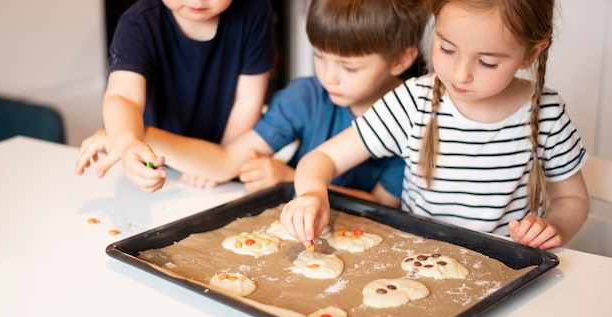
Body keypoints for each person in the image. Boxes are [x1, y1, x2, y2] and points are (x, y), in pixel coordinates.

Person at [280, 0, 590, 251]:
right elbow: (323, 159)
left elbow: (571, 199)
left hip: (504, 269)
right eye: (447, 48)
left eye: (487, 62)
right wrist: (311, 194)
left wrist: (553, 227)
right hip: (415, 260)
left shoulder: (545, 112)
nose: (460, 73)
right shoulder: (413, 102)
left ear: (531, 54)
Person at [75, 0, 430, 206]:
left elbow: (386, 209)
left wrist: (290, 178)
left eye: (349, 67)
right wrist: (128, 136)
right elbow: (227, 161)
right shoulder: (306, 96)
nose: (329, 77)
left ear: (400, 60)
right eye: (319, 58)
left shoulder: (412, 119)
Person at [75, 0, 275, 192]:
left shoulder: (254, 10)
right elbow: (123, 95)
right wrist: (128, 143)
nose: (197, 1)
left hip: (220, 168)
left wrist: (216, 164)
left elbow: (247, 100)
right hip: (157, 160)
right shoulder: (138, 23)